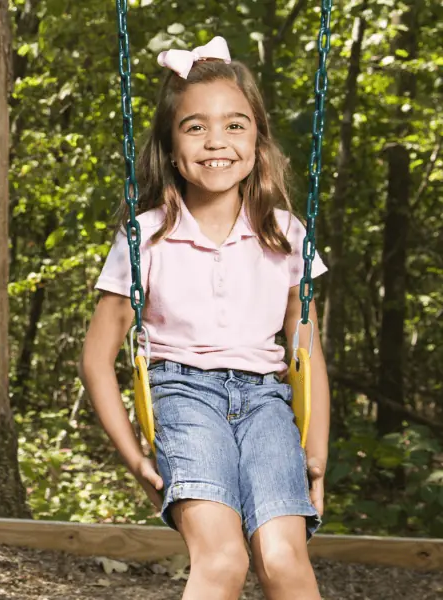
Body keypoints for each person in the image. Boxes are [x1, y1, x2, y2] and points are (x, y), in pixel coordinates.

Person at [80, 37, 329, 600]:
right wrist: (137, 459)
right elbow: (97, 361)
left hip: (269, 403)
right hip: (184, 398)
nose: (217, 141)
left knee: (285, 557)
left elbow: (306, 352)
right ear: (170, 146)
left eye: (235, 125)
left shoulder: (287, 234)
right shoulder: (146, 237)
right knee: (221, 559)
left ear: (258, 139)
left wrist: (317, 454)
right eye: (195, 127)